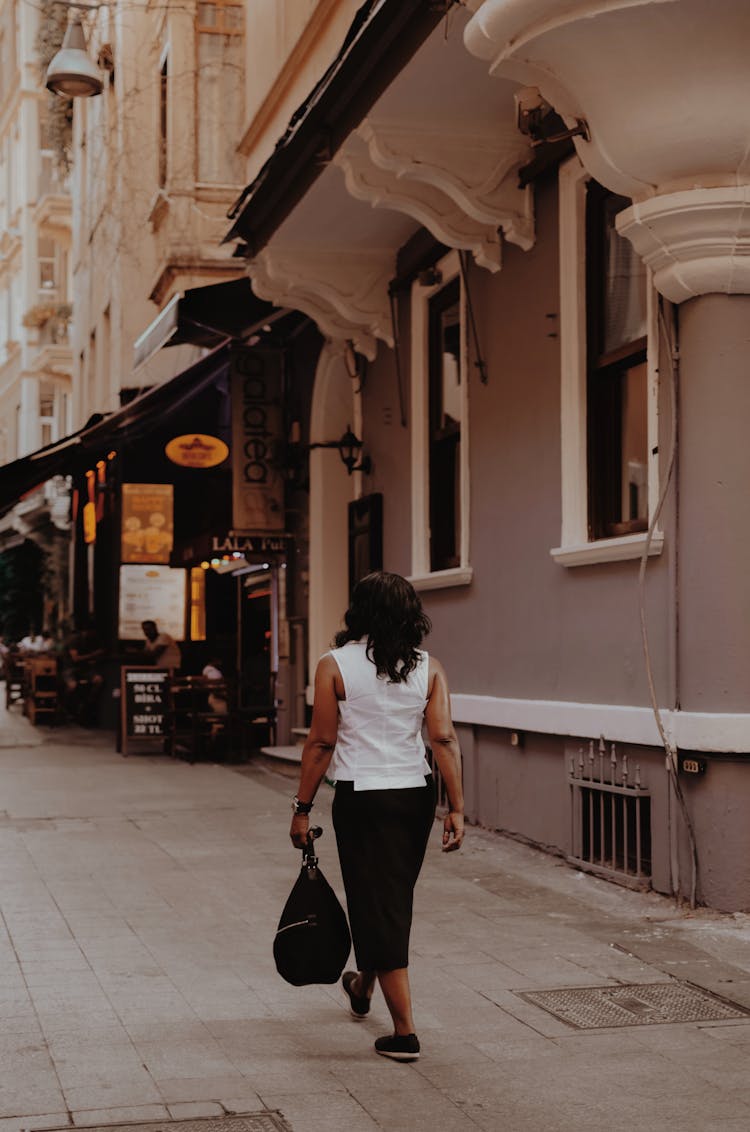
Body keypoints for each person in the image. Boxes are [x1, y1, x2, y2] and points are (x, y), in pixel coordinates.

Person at [289, 571, 464, 1063]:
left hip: (363, 798)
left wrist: (302, 810)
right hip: (414, 797)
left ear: (358, 611)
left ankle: (405, 1032)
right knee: (386, 895)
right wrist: (457, 807)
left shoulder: (334, 665)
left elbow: (321, 742)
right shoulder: (429, 667)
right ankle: (363, 987)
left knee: (379, 900)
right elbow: (444, 740)